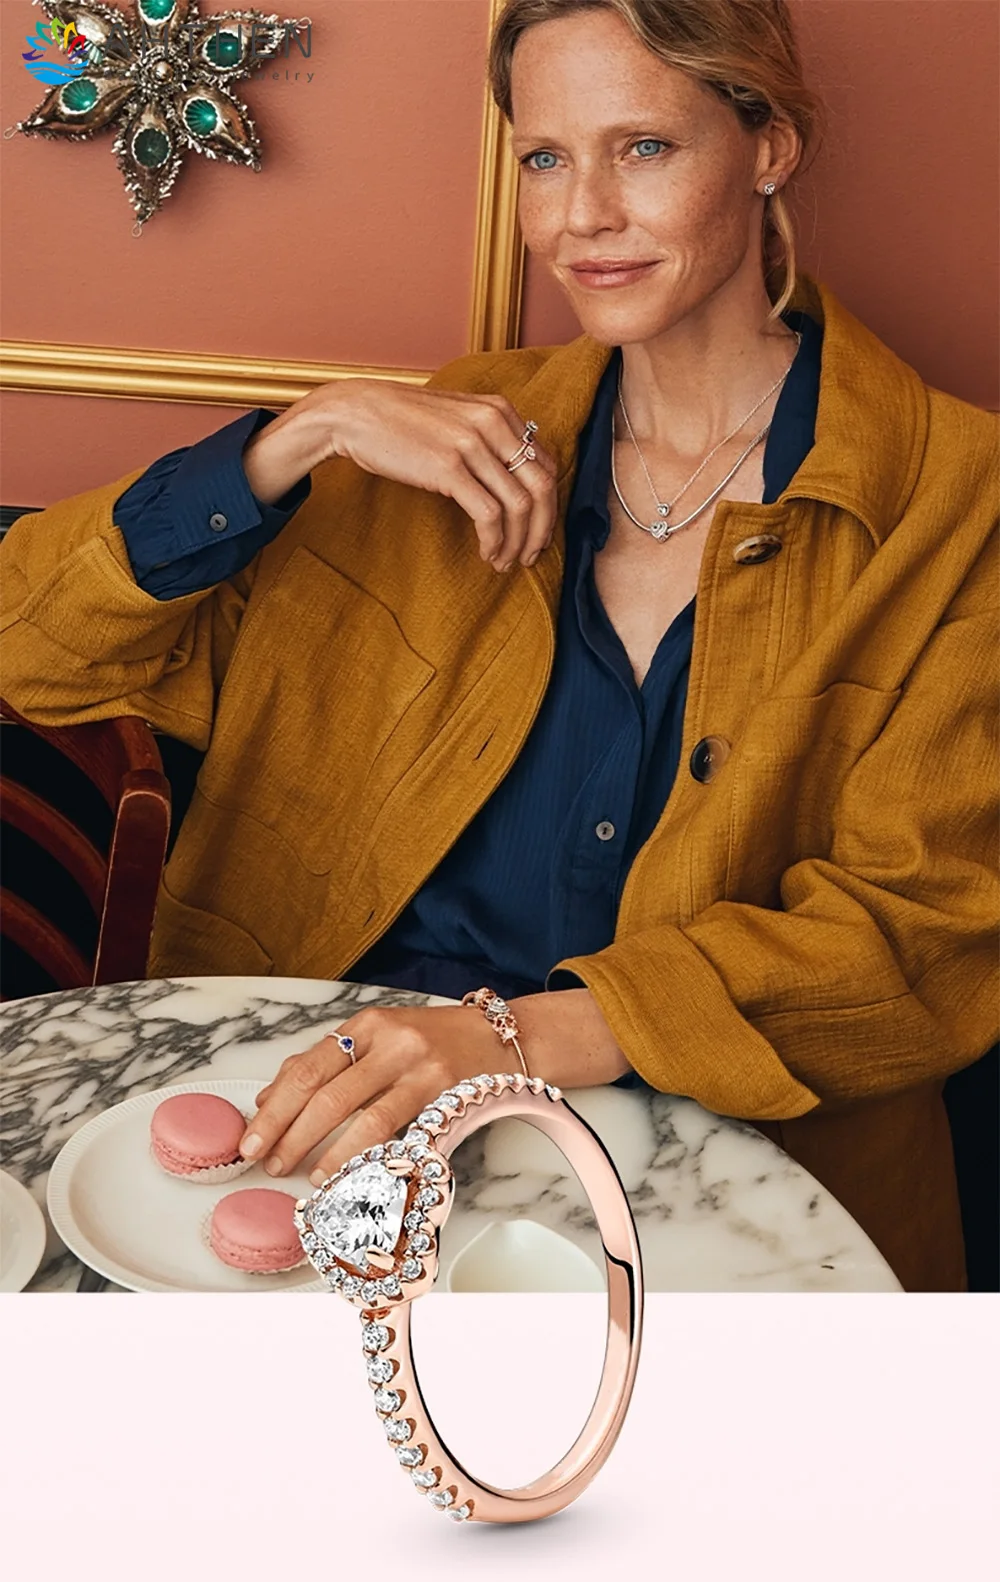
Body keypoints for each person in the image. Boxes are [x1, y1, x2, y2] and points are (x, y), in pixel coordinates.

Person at [2, 0, 996, 1292]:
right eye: (544, 158)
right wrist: (296, 439)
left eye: (644, 148)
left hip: (730, 1198)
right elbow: (30, 649)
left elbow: (924, 937)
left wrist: (520, 1036)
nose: (583, 215)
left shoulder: (958, 501)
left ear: (769, 147)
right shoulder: (436, 448)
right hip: (308, 1140)